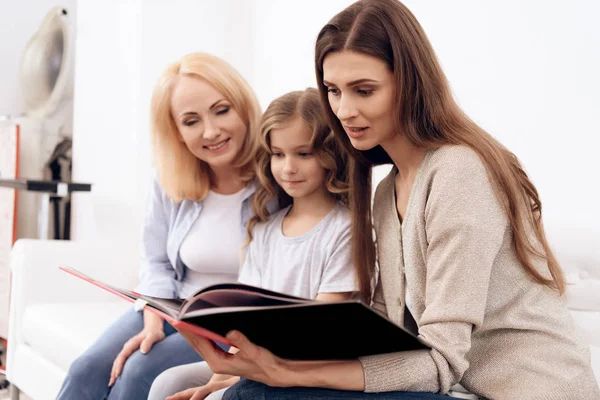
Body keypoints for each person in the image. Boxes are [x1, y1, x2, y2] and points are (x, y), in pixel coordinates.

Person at [176, 1, 600, 399]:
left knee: (259, 393)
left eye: (364, 90)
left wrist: (286, 374)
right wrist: (260, 361)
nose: (342, 110)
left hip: (526, 392)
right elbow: (387, 334)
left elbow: (441, 361)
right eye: (333, 91)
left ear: (409, 84)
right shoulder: (386, 191)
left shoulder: (458, 173)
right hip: (463, 388)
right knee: (250, 388)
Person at [56, 52, 268, 400]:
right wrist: (154, 317)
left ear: (243, 106)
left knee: (137, 373)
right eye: (191, 120)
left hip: (230, 325)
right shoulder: (171, 178)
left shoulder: (277, 178)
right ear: (177, 131)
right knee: (87, 370)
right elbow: (155, 260)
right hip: (170, 306)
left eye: (221, 110)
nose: (211, 131)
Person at [149, 88, 359, 400]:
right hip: (256, 360)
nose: (288, 168)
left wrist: (228, 386)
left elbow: (322, 332)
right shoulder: (264, 231)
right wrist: (221, 377)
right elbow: (244, 324)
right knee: (167, 384)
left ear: (332, 154)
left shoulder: (345, 230)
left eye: (303, 154)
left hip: (306, 367)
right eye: (278, 154)